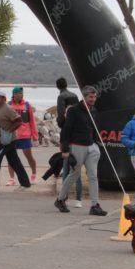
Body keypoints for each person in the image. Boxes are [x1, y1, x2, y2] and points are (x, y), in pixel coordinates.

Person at [54, 86, 107, 216]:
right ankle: (60, 199)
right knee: (74, 174)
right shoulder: (74, 110)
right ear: (84, 97)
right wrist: (65, 149)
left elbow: (95, 129)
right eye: (91, 97)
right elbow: (66, 130)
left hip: (91, 147)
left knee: (93, 176)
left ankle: (95, 205)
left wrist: (97, 144)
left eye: (95, 97)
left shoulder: (94, 110)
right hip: (77, 146)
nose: (93, 99)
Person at [0, 91, 31, 191]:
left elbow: (19, 121)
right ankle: (25, 184)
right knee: (14, 162)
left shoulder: (8, 109)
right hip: (4, 141)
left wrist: (9, 131)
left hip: (7, 141)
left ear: (4, 99)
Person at [55, 77, 82, 207]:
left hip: (67, 131)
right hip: (76, 131)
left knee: (67, 166)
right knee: (76, 165)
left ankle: (64, 197)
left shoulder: (61, 97)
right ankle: (78, 199)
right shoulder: (75, 95)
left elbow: (61, 115)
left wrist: (61, 125)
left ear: (57, 86)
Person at [5, 87, 38, 184]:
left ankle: (34, 174)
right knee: (11, 158)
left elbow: (32, 121)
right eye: (19, 93)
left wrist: (35, 137)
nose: (21, 95)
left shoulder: (27, 105)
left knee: (29, 156)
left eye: (22, 93)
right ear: (14, 95)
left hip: (25, 136)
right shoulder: (8, 106)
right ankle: (12, 179)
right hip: (12, 136)